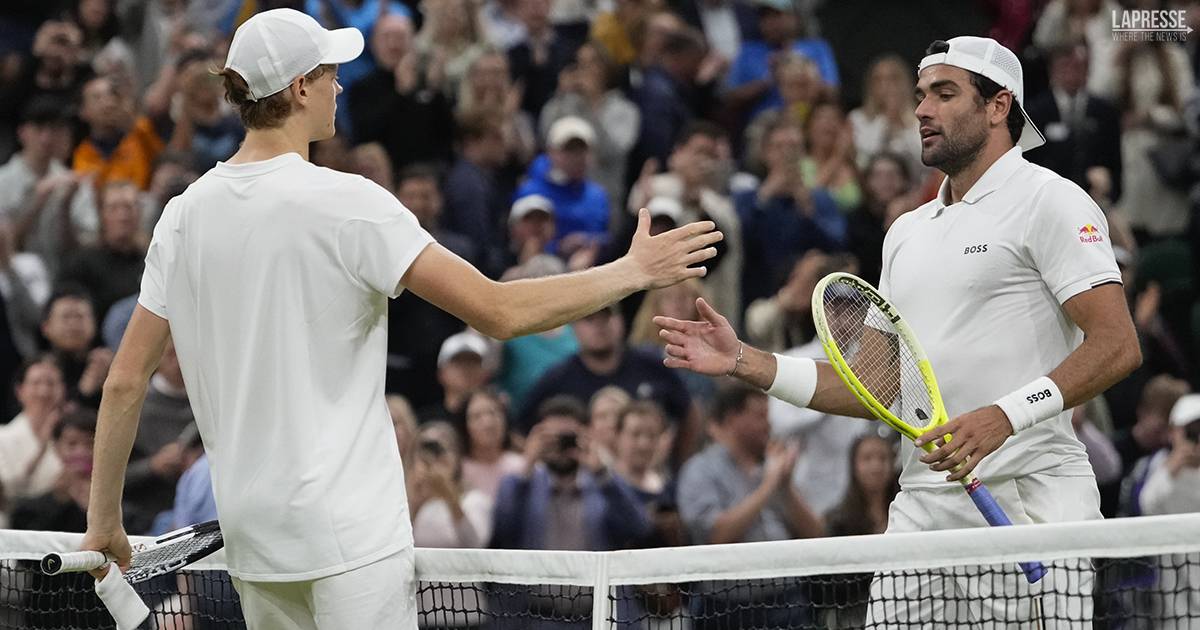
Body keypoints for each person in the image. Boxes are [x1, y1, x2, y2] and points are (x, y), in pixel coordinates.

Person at [80, 9, 720, 630]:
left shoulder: (182, 216)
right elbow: (497, 311)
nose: (337, 85)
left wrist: (103, 519)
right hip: (350, 536)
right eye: (329, 73)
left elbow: (124, 382)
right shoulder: (352, 204)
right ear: (299, 87)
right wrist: (631, 272)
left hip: (254, 539)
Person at [656, 36, 1141, 626]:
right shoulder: (906, 232)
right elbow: (882, 386)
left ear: (997, 106)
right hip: (921, 513)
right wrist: (748, 362)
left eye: (944, 93)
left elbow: (1117, 344)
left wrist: (1004, 415)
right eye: (919, 96)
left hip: (1032, 502)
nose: (921, 110)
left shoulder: (1053, 201)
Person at [460, 388, 526, 500]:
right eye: (477, 416)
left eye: (493, 413)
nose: (488, 423)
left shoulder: (522, 465)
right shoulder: (458, 470)